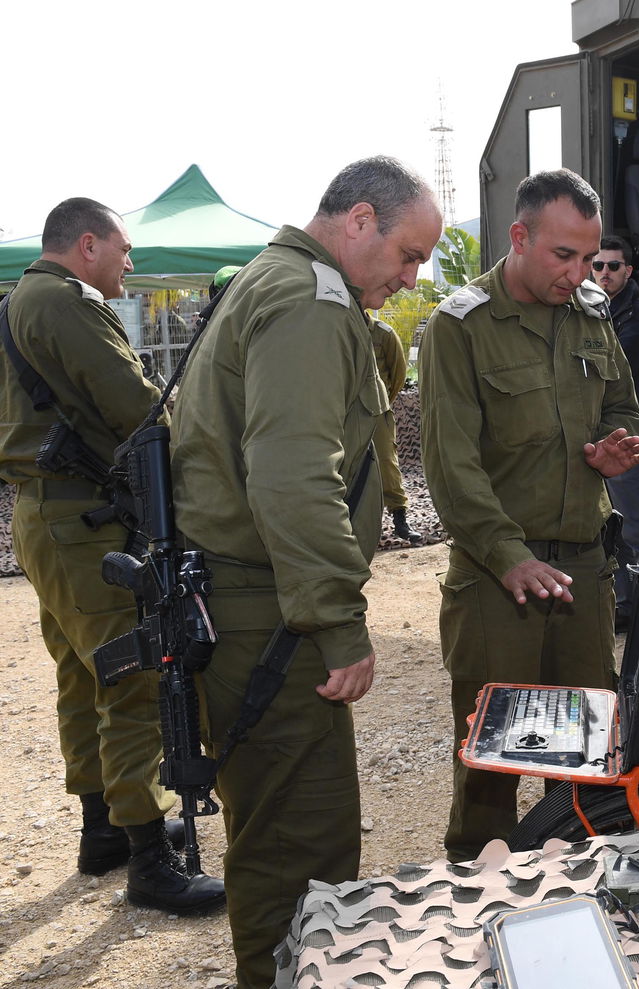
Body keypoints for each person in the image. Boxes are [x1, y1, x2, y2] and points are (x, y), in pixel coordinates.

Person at [170, 157, 442, 988]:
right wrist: (335, 622)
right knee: (301, 847)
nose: (409, 278)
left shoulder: (272, 278)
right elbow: (292, 476)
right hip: (271, 618)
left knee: (273, 831)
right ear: (359, 219)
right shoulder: (309, 302)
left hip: (246, 603)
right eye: (407, 255)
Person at [0, 198, 225, 914]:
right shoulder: (66, 302)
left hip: (45, 514)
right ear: (87, 244)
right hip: (84, 523)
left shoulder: (15, 302)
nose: (129, 263)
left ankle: (102, 828)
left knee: (82, 671)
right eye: (123, 250)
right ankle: (148, 857)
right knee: (131, 676)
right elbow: (137, 404)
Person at [419, 169, 639, 862]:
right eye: (563, 255)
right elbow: (451, 468)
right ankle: (477, 900)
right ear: (518, 236)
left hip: (580, 567)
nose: (580, 272)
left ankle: (582, 880)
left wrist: (614, 448)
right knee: (494, 753)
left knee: (581, 745)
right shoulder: (461, 327)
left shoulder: (591, 312)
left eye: (590, 256)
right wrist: (509, 554)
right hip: (498, 577)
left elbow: (624, 409)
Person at [591, 235, 639, 627]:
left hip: (626, 440)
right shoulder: (593, 309)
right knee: (605, 525)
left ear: (628, 271)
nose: (605, 273)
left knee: (634, 524)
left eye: (613, 266)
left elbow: (604, 367)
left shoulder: (634, 318)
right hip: (600, 440)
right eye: (598, 265)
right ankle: (621, 602)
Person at [370, 318, 422, 544]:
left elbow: (398, 374)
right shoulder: (335, 327)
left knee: (386, 463)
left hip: (376, 410)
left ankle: (400, 518)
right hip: (340, 411)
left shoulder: (383, 334)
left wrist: (382, 403)